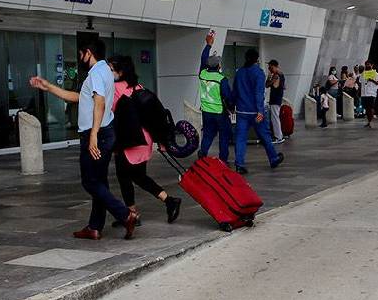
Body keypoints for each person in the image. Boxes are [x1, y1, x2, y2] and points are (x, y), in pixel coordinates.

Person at [29, 39, 137, 240]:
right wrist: (48, 87)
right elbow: (79, 97)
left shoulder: (96, 73)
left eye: (81, 54)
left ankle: (125, 215)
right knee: (99, 181)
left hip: (97, 134)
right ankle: (95, 227)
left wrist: (93, 135)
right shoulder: (104, 70)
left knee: (89, 182)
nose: (80, 58)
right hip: (106, 131)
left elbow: (100, 102)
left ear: (88, 53)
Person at [109, 55, 181, 225]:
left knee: (123, 176)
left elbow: (110, 112)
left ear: (120, 71)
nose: (109, 73)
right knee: (139, 176)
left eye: (111, 69)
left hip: (129, 141)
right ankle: (169, 201)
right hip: (144, 140)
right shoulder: (139, 87)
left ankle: (132, 215)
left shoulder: (116, 89)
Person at [232, 48, 284, 175]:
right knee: (265, 135)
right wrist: (260, 111)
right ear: (257, 59)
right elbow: (258, 93)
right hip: (255, 112)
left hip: (242, 112)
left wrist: (231, 105)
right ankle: (273, 158)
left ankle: (239, 164)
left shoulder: (239, 73)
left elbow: (235, 91)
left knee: (240, 138)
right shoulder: (259, 73)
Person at [198, 31, 233, 163]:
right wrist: (231, 107)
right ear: (218, 66)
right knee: (224, 136)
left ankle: (203, 154)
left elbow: (203, 60)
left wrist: (208, 45)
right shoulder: (221, 79)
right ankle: (223, 159)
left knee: (207, 134)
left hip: (206, 112)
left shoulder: (202, 75)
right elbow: (227, 96)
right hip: (220, 113)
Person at [265, 59, 286, 144]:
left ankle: (278, 137)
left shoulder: (276, 75)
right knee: (275, 117)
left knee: (275, 118)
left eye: (270, 67)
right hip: (277, 99)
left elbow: (268, 85)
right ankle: (279, 135)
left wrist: (269, 77)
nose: (269, 69)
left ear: (274, 66)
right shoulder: (282, 75)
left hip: (275, 99)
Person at [361, 61, 378, 128]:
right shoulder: (363, 73)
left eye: (368, 64)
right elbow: (360, 82)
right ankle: (368, 121)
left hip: (371, 93)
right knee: (367, 108)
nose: (367, 65)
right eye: (366, 64)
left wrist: (372, 80)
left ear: (372, 65)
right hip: (364, 93)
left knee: (371, 107)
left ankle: (371, 121)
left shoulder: (375, 74)